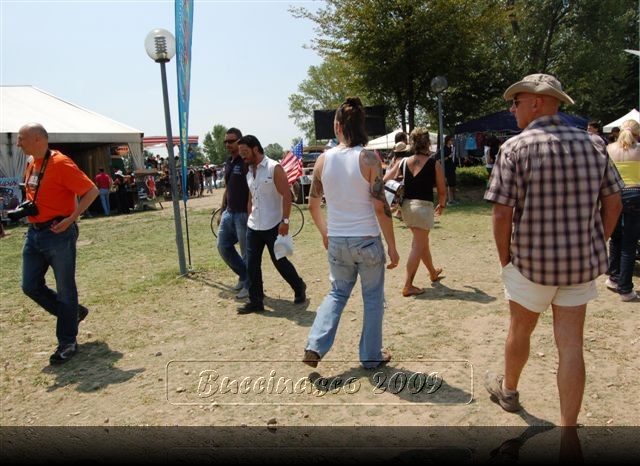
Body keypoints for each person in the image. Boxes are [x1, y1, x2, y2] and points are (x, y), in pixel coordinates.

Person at [484, 74, 622, 426]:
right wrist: (597, 240)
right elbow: (614, 201)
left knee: (520, 330)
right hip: (579, 265)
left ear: (537, 102)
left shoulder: (514, 148)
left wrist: (505, 260)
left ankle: (509, 390)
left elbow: (502, 213)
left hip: (531, 263)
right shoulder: (594, 144)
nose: (512, 108)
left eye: (516, 102)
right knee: (571, 346)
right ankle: (568, 431)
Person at [303, 97, 400, 369]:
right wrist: (392, 246)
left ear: (337, 126)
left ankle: (315, 344)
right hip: (367, 239)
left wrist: (325, 232)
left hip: (337, 239)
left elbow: (312, 204)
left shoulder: (322, 160)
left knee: (336, 293)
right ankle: (371, 356)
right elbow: (381, 207)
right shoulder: (370, 158)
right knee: (372, 299)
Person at [16, 123, 99, 364]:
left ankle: (67, 342)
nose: (18, 144)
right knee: (29, 286)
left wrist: (71, 219)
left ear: (39, 139)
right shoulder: (32, 163)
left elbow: (91, 191)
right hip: (34, 233)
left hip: (58, 233)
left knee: (65, 289)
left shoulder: (61, 163)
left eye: (22, 139)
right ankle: (73, 314)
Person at [237, 135, 307, 314]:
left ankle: (299, 287)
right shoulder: (248, 172)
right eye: (241, 154)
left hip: (273, 225)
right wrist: (249, 214)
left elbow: (287, 195)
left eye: (245, 153)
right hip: (254, 226)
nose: (243, 157)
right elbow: (252, 197)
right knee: (251, 264)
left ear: (255, 149)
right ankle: (256, 301)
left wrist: (285, 221)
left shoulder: (273, 168)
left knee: (280, 261)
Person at [383, 127, 447, 296]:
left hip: (406, 209)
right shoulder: (434, 163)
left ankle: (433, 272)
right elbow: (442, 190)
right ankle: (408, 285)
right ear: (427, 143)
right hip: (423, 208)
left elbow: (384, 180)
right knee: (418, 245)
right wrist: (442, 204)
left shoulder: (403, 162)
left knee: (421, 242)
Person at [605, 119, 640, 301]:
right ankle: (625, 288)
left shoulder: (609, 149)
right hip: (635, 194)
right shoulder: (639, 150)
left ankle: (614, 277)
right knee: (630, 242)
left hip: (614, 195)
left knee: (615, 237)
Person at [217, 128, 250, 299]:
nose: (228, 144)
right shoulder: (229, 163)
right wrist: (222, 211)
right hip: (229, 213)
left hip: (244, 214)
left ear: (240, 141)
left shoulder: (246, 162)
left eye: (231, 141)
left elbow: (253, 188)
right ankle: (243, 276)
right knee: (223, 246)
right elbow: (227, 188)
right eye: (226, 142)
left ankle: (249, 285)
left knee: (247, 253)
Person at [443, 135, 458, 205]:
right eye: (451, 140)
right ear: (448, 141)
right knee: (449, 184)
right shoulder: (443, 148)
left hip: (452, 168)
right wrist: (448, 157)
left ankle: (454, 199)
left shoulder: (452, 148)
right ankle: (450, 200)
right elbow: (441, 159)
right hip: (447, 168)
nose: (452, 141)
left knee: (453, 184)